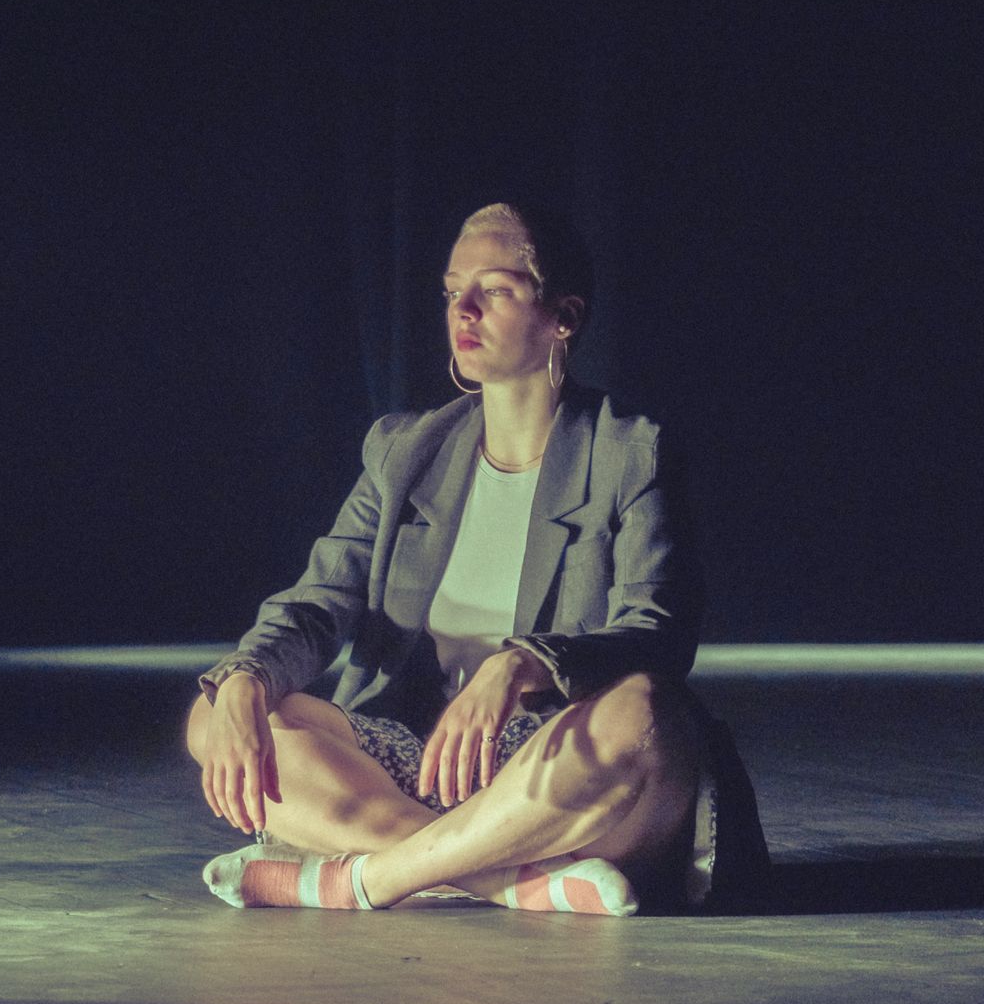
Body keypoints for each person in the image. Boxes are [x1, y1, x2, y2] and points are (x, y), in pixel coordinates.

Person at [185, 202, 766, 915]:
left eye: (494, 289)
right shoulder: (406, 451)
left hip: (551, 766)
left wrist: (522, 662)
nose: (462, 308)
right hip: (416, 761)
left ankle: (364, 878)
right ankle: (508, 881)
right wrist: (246, 678)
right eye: (452, 290)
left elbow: (660, 628)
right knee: (213, 714)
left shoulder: (629, 451)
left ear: (564, 317)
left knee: (643, 714)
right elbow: (316, 602)